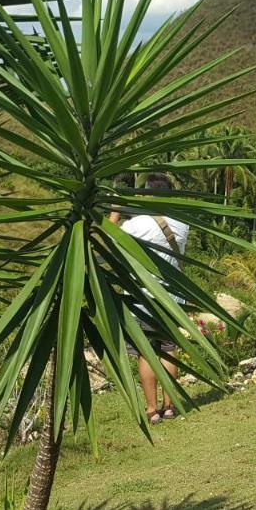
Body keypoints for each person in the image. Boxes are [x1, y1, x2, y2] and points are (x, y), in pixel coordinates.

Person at [110, 173, 190, 424]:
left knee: (146, 352)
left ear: (146, 194)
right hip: (173, 299)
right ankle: (169, 406)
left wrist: (115, 210)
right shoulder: (182, 224)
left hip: (142, 298)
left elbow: (106, 237)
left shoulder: (136, 225)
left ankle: (151, 409)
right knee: (168, 348)